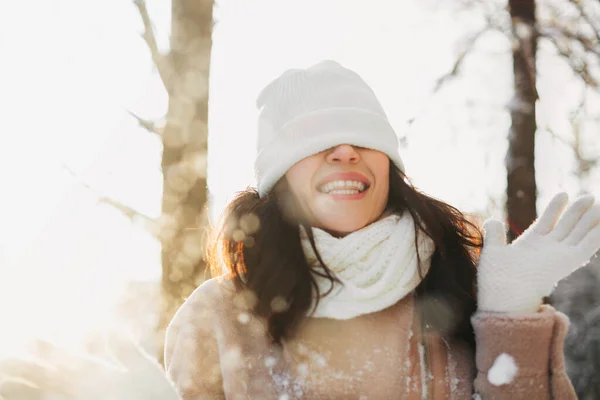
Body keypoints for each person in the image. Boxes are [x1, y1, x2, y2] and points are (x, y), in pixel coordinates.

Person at [164, 60, 600, 399]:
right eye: (315, 139)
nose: (345, 151)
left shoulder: (459, 285)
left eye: (364, 138)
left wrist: (510, 317)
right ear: (278, 177)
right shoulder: (219, 317)